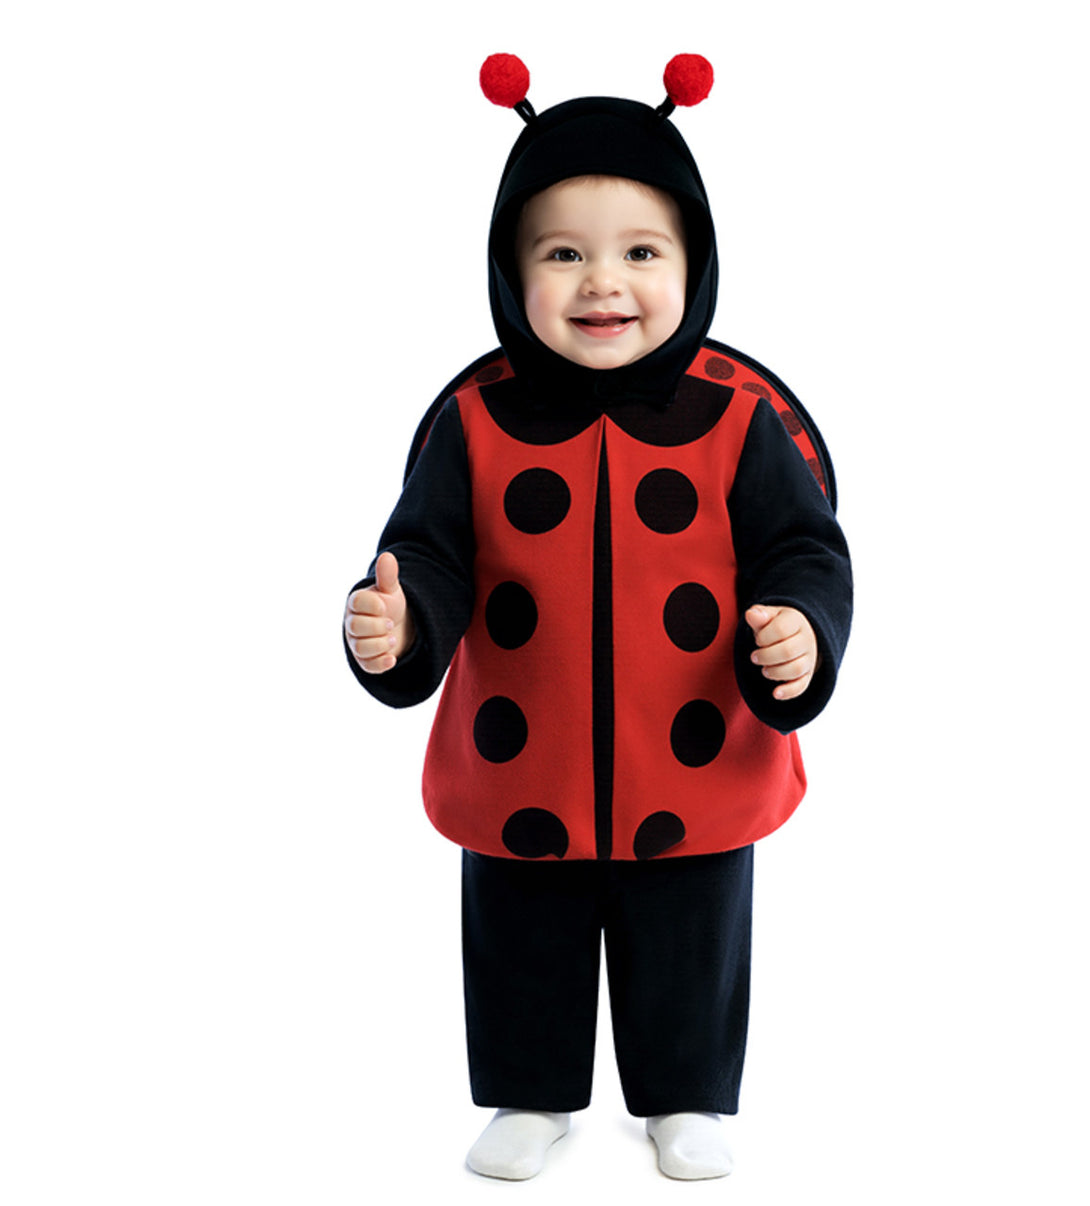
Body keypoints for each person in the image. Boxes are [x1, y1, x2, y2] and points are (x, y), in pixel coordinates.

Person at [343, 54, 853, 1181]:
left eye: (641, 253)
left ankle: (686, 1096)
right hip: (525, 760)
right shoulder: (477, 423)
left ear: (695, 265)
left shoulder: (737, 420)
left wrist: (802, 626)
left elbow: (805, 546)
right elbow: (428, 555)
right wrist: (401, 623)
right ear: (509, 269)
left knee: (693, 931)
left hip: (697, 756)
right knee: (521, 928)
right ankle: (529, 1093)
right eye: (562, 253)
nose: (601, 283)